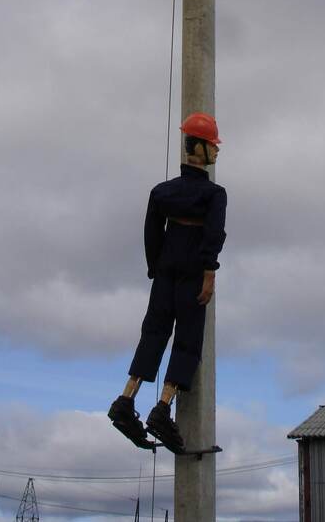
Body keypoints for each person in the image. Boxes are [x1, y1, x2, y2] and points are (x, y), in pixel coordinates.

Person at [108, 113, 227, 453]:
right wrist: (208, 273)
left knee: (154, 334)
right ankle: (162, 408)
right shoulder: (214, 194)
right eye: (213, 146)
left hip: (164, 272)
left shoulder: (162, 192)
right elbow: (213, 236)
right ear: (199, 148)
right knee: (187, 340)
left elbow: (151, 233)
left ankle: (125, 399)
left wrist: (154, 269)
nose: (217, 152)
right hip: (192, 274)